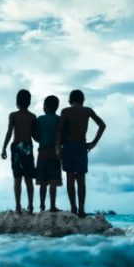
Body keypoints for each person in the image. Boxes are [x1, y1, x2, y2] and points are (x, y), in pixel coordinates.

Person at [55, 89, 106, 218]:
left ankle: (73, 209)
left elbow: (60, 130)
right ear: (83, 100)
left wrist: (58, 149)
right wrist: (94, 142)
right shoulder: (87, 111)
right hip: (81, 147)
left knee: (70, 178)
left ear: (70, 101)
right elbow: (102, 125)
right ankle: (81, 210)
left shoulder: (65, 111)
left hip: (68, 147)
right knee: (81, 179)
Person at [1, 89, 37, 214]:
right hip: (27, 147)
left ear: (17, 102)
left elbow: (9, 132)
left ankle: (17, 206)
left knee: (17, 178)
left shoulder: (13, 115)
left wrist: (4, 148)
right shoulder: (32, 116)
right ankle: (31, 206)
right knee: (28, 179)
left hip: (16, 147)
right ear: (29, 102)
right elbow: (35, 135)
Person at [34, 95, 63, 212]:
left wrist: (40, 140)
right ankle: (52, 206)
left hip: (42, 151)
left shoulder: (39, 119)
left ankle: (42, 206)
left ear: (46, 106)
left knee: (43, 182)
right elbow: (63, 135)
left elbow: (35, 135)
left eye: (43, 105)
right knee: (53, 181)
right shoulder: (60, 119)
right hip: (55, 152)